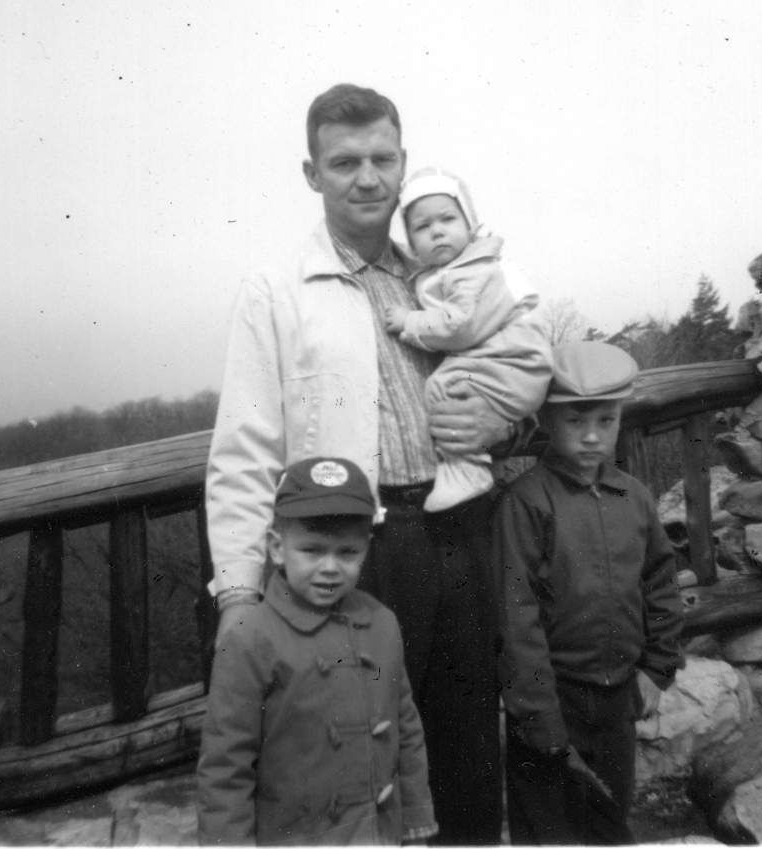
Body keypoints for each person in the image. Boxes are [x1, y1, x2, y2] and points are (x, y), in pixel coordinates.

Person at [205, 83, 505, 844]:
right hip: (358, 549)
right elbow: (244, 452)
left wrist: (509, 417)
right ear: (312, 173)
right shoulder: (277, 293)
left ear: (404, 165)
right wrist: (240, 589)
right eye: (345, 162)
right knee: (356, 765)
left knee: (466, 744)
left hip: (463, 534)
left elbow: (515, 369)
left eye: (382, 159)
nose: (367, 177)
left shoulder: (446, 276)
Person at [494, 341, 684, 845]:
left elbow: (661, 583)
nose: (593, 436)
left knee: (609, 818)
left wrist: (656, 669)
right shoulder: (527, 503)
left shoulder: (635, 498)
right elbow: (518, 615)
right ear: (547, 422)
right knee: (548, 827)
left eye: (606, 420)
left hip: (618, 694)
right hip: (554, 697)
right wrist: (536, 711)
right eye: (576, 422)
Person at [197, 457, 437, 845]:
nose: (330, 567)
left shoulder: (381, 623)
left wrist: (415, 822)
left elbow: (406, 732)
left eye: (347, 552)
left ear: (367, 549)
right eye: (311, 550)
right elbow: (226, 766)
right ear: (277, 548)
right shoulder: (250, 638)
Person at [384, 167, 551, 512]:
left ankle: (466, 469)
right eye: (422, 227)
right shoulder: (449, 271)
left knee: (442, 385)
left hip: (512, 360)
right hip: (510, 362)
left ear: (470, 223)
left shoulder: (472, 270)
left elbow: (460, 326)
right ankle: (463, 468)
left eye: (447, 219)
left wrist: (409, 321)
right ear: (411, 242)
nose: (437, 231)